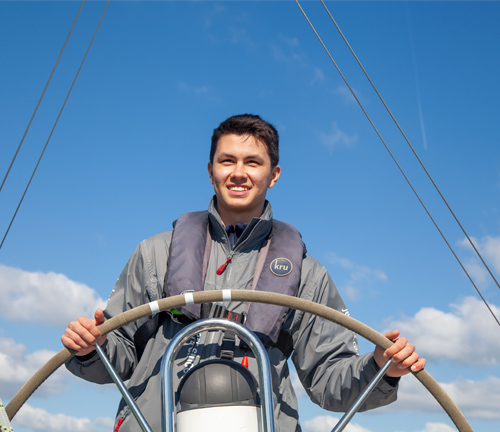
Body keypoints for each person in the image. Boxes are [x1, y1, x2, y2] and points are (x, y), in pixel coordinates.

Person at [62, 114, 425, 431]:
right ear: (210, 171)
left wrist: (381, 367)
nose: (238, 173)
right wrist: (91, 349)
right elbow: (119, 357)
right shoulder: (155, 254)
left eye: (253, 162)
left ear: (274, 174)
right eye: (227, 161)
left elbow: (328, 380)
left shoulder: (307, 275)